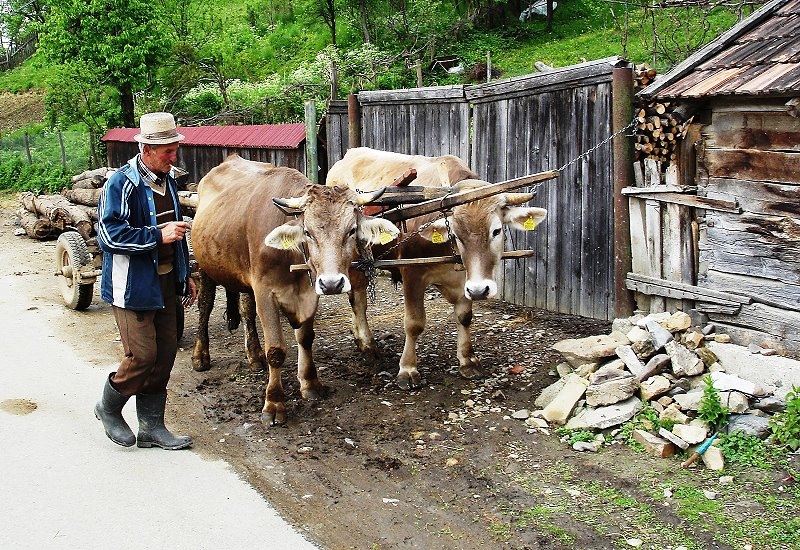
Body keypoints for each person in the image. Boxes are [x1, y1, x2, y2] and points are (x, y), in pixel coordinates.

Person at [94, 112, 197, 450]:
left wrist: (186, 275)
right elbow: (109, 236)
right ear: (148, 149)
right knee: (142, 357)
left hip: (167, 283)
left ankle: (152, 428)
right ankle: (108, 408)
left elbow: (176, 234)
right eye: (168, 150)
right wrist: (157, 234)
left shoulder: (167, 179)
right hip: (133, 286)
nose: (174, 156)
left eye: (175, 149)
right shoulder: (121, 183)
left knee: (165, 355)